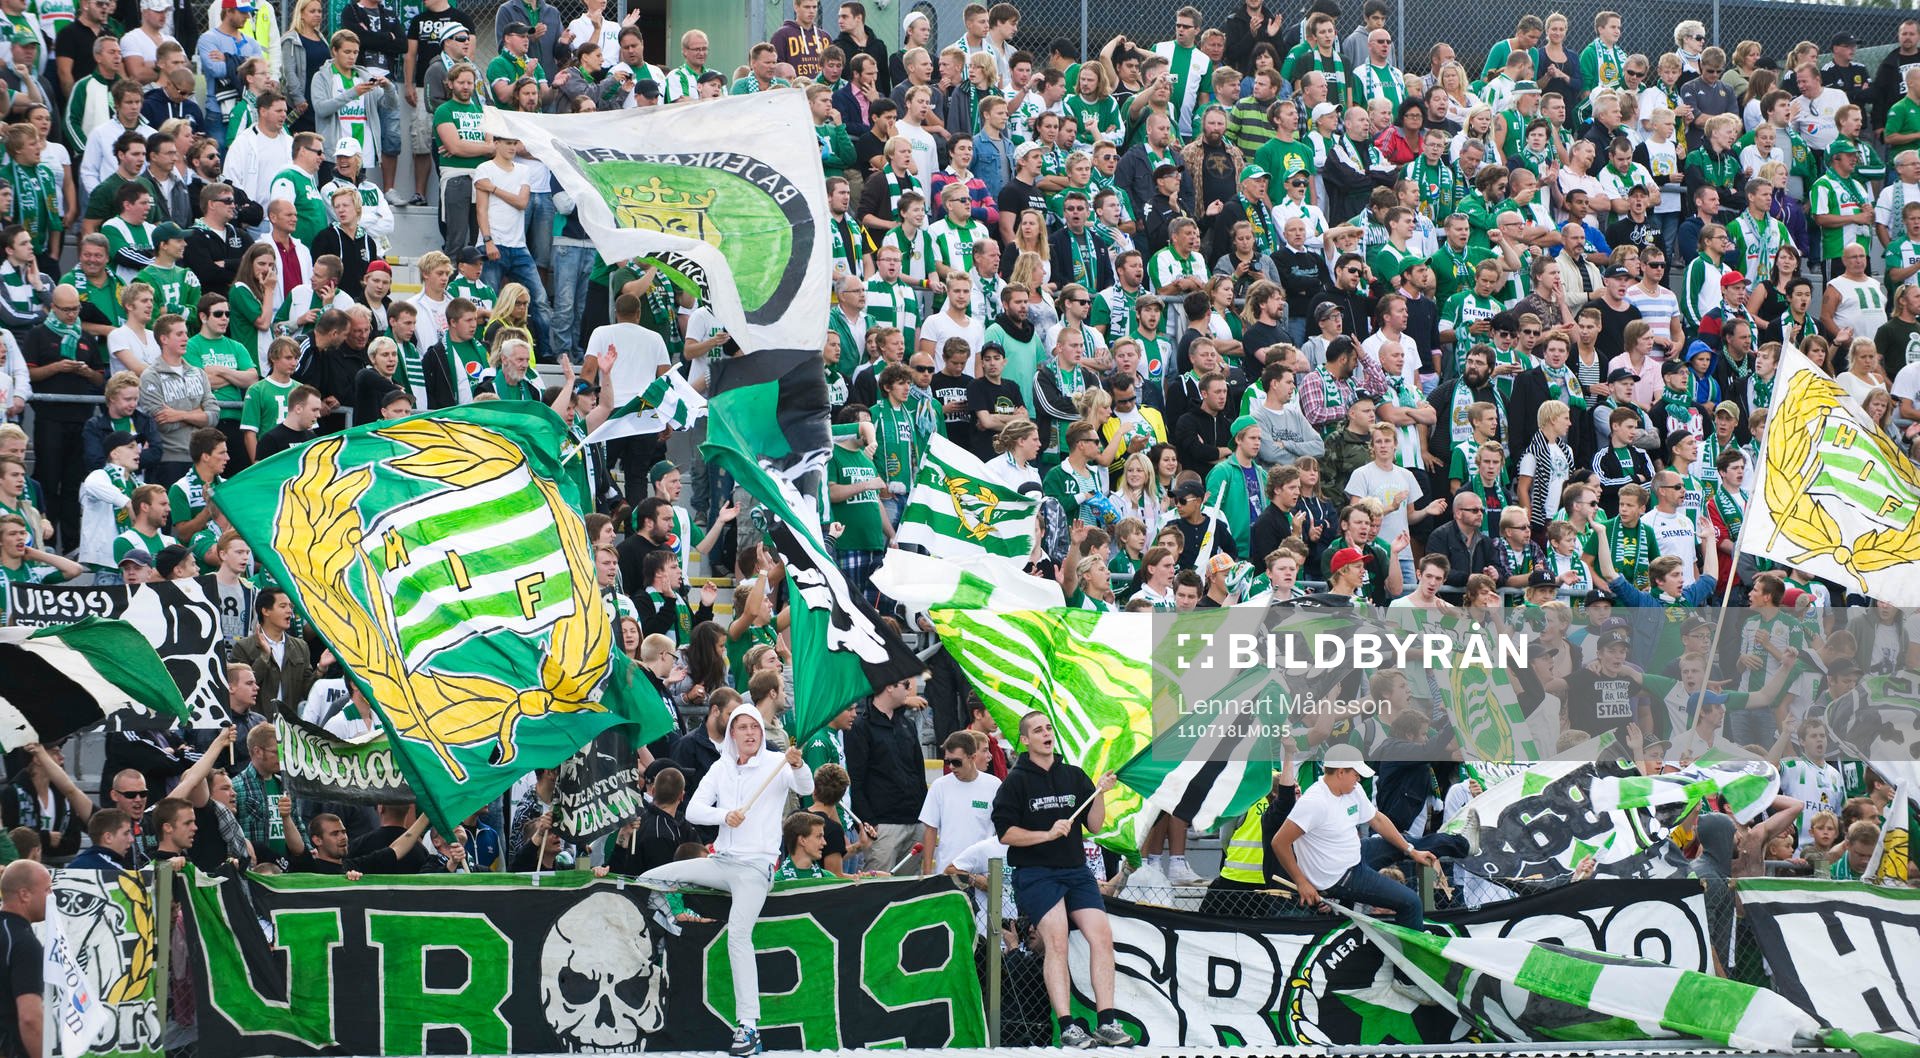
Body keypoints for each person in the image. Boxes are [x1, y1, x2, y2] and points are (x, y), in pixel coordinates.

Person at [639, 701, 812, 1057]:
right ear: (732, 733)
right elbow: (695, 810)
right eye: (742, 727)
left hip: (756, 869)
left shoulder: (777, 762)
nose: (750, 733)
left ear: (761, 732)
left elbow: (805, 784)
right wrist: (725, 816)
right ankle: (668, 920)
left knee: (738, 936)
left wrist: (797, 763)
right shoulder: (721, 767)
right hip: (720, 862)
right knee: (649, 879)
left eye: (755, 727)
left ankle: (749, 1027)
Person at [990, 710, 1131, 1048]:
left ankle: (1107, 1021)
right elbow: (1005, 834)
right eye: (1038, 730)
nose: (1046, 734)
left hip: (1076, 870)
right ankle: (1068, 1026)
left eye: (1048, 728)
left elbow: (1094, 825)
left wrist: (1100, 793)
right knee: (1057, 941)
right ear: (1025, 740)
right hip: (1036, 873)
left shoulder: (1073, 775)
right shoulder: (1015, 782)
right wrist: (1047, 834)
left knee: (1102, 937)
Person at [1270, 743, 1438, 927]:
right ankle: (1411, 945)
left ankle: (1456, 843)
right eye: (1356, 774)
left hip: (1356, 855)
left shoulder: (1353, 790)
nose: (1358, 779)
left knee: (1409, 844)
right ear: (1341, 772)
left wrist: (1411, 851)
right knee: (1411, 902)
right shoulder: (1314, 802)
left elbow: (1378, 820)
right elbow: (1279, 842)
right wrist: (1301, 882)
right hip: (1342, 875)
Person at [0, 859, 47, 1058]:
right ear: (24, 895)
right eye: (47, 890)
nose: (52, 897)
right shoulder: (23, 943)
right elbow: (30, 1019)